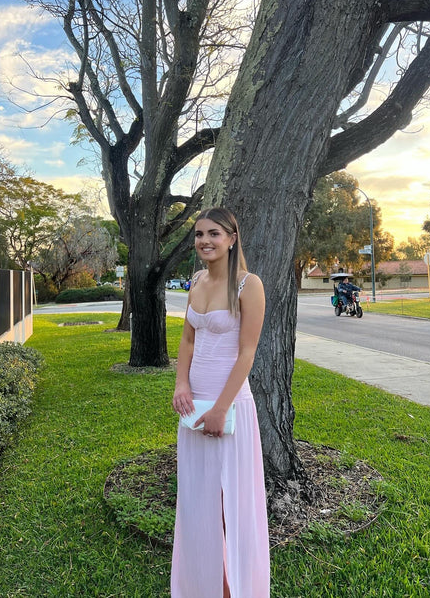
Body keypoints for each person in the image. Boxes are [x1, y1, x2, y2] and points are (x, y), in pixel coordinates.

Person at [171, 207, 270, 598]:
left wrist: (221, 408)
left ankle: (236, 589)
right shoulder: (195, 282)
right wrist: (181, 385)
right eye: (198, 235)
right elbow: (188, 340)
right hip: (194, 407)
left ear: (232, 238)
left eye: (214, 233)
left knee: (231, 505)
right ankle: (205, 588)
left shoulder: (249, 285)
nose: (205, 241)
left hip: (229, 407)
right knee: (198, 502)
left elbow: (247, 353)